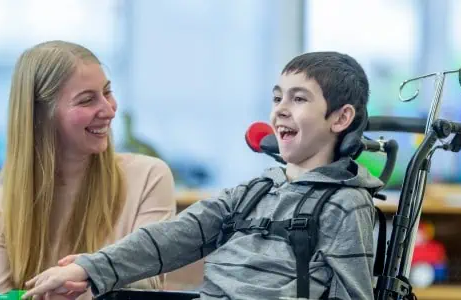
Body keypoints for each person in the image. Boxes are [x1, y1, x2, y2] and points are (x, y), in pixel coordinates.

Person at [22, 51, 384, 300]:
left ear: (340, 118)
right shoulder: (253, 192)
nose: (280, 111)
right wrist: (87, 268)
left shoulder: (345, 205)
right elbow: (173, 238)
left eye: (299, 99)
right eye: (277, 99)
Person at [0, 41, 177, 300]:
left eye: (107, 92)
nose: (109, 109)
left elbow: (146, 283)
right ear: (42, 115)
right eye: (87, 100)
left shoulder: (149, 177)